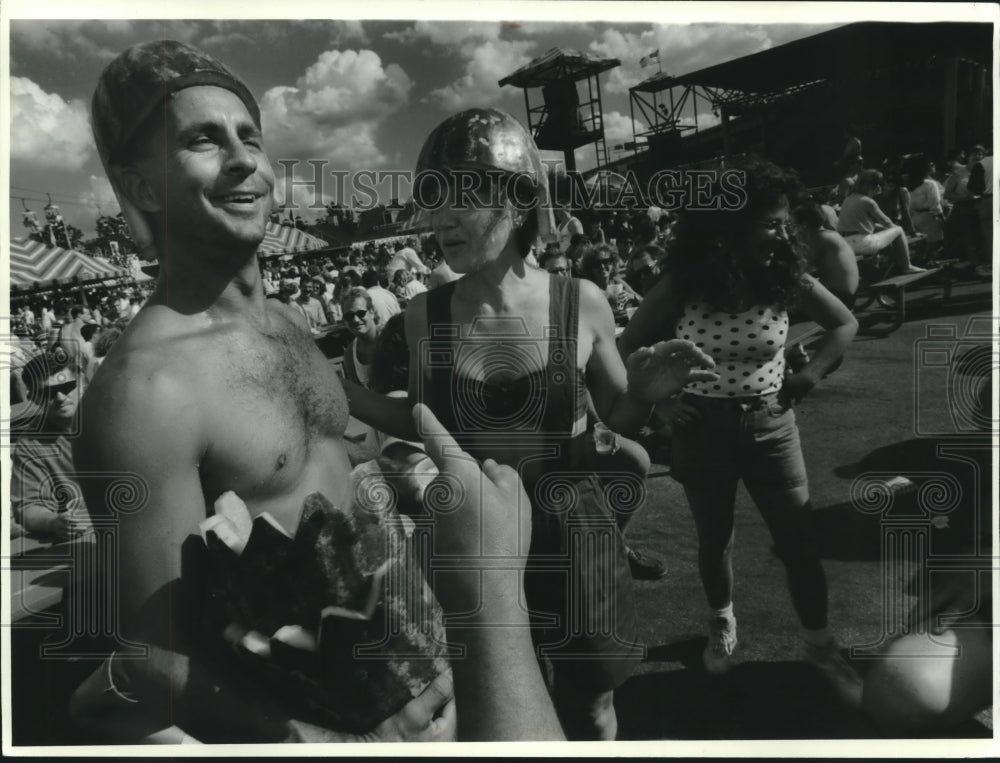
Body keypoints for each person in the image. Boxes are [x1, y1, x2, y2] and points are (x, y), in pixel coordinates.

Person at [70, 40, 454, 744]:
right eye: (202, 140)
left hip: (421, 678)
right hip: (322, 726)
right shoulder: (147, 391)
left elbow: (336, 474)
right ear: (144, 186)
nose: (244, 158)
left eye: (251, 136)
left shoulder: (289, 324)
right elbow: (155, 656)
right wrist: (325, 744)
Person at [343, 106, 718, 740]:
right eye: (431, 200)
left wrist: (646, 395)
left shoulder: (581, 301)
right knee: (500, 699)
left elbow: (619, 416)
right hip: (474, 531)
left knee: (591, 698)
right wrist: (340, 394)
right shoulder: (420, 315)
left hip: (575, 530)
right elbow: (423, 419)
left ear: (518, 202)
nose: (438, 220)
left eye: (458, 197)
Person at [619, 161, 864, 706]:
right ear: (729, 227)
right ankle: (721, 622)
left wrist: (805, 377)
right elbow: (625, 346)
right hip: (701, 427)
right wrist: (663, 410)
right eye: (772, 224)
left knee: (799, 542)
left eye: (785, 225)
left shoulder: (786, 276)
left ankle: (820, 646)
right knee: (715, 540)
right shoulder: (684, 282)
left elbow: (845, 321)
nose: (784, 234)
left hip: (772, 425)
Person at [11, 352, 94, 541]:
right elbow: (27, 506)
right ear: (34, 399)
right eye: (48, 393)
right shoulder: (30, 443)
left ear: (82, 382)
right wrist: (53, 522)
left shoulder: (117, 418)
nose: (60, 397)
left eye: (67, 387)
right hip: (83, 534)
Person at [836, 169, 926, 275]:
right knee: (898, 230)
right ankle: (907, 266)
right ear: (872, 185)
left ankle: (886, 271)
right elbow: (887, 222)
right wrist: (901, 235)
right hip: (863, 243)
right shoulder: (867, 201)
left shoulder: (849, 198)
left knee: (889, 244)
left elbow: (867, 225)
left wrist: (886, 231)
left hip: (846, 243)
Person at [792, 204, 859, 310]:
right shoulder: (830, 234)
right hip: (849, 294)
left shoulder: (820, 238)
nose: (794, 228)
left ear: (804, 225)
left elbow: (802, 266)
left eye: (794, 224)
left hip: (840, 297)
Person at [339, 287, 382, 390]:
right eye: (349, 316)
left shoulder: (390, 339)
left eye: (360, 313)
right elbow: (360, 393)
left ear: (371, 312)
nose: (355, 320)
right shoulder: (350, 354)